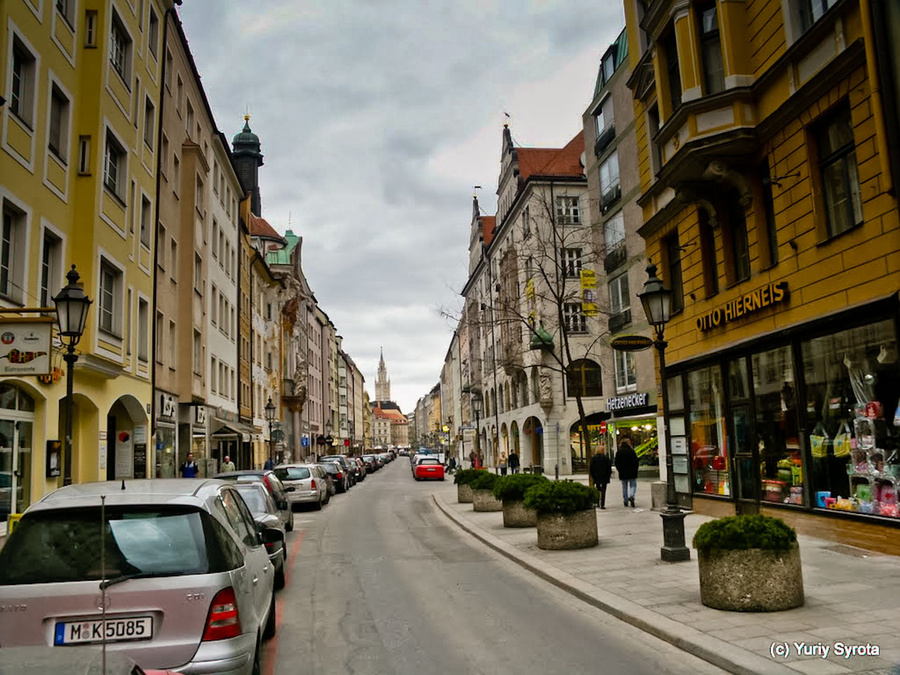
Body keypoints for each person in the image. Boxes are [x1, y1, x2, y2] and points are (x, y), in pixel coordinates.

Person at [614, 436, 639, 507]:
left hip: (623, 472)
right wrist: (635, 469)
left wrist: (619, 470)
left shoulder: (619, 452)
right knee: (633, 485)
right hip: (632, 472)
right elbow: (636, 462)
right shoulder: (631, 452)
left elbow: (616, 462)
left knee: (624, 486)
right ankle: (631, 496)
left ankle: (625, 500)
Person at [589, 444, 613, 509]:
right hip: (604, 477)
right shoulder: (606, 458)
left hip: (596, 477)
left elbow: (591, 468)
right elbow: (609, 468)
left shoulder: (594, 459)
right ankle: (602, 504)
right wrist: (608, 475)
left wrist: (593, 475)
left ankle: (597, 502)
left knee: (598, 489)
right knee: (603, 490)